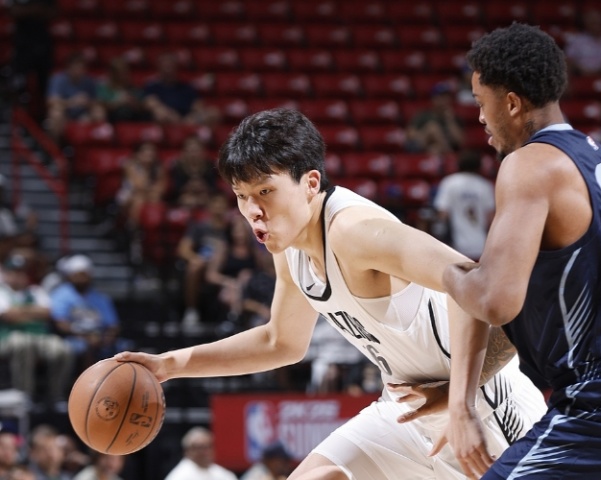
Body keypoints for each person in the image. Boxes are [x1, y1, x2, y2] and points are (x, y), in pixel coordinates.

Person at [116, 108, 547, 479]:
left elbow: (476, 284)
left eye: (265, 191)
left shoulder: (355, 232)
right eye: (242, 196)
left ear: (310, 183)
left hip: (485, 408)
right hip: (404, 409)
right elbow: (280, 342)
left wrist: (459, 400)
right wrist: (169, 364)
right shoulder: (289, 245)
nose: (253, 211)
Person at [438, 23, 601, 478]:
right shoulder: (591, 152)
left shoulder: (529, 165)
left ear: (512, 103)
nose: (479, 117)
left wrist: (447, 270)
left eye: (481, 102)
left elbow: (495, 300)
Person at [0, 252, 74, 408]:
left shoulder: (35, 291)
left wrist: (20, 312)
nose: (18, 276)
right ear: (6, 274)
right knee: (23, 343)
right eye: (14, 272)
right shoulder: (2, 291)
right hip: (8, 338)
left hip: (39, 337)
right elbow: (9, 315)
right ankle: (24, 395)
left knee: (63, 349)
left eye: (21, 272)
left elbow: (47, 313)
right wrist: (33, 312)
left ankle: (56, 396)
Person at [50, 254, 128, 372]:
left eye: (85, 274)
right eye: (78, 275)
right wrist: (86, 336)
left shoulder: (99, 297)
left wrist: (106, 339)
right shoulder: (61, 294)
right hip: (73, 337)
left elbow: (113, 325)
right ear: (70, 276)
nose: (82, 278)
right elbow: (61, 323)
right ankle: (84, 380)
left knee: (125, 348)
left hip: (100, 336)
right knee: (83, 348)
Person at [175, 193, 231, 327]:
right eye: (216, 204)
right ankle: (191, 310)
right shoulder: (199, 227)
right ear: (210, 207)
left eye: (222, 205)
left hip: (226, 264)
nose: (218, 208)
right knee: (194, 267)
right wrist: (196, 258)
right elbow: (183, 249)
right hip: (204, 265)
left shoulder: (230, 229)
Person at [433, 151, 495, 261]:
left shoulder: (450, 183)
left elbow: (442, 214)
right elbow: (491, 218)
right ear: (479, 166)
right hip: (481, 247)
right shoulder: (485, 185)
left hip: (456, 248)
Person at [142, 52, 219, 126]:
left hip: (188, 121)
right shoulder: (152, 87)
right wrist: (172, 116)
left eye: (171, 63)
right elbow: (151, 103)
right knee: (160, 114)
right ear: (159, 66)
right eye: (165, 64)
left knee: (213, 112)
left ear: (176, 66)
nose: (168, 66)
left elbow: (198, 106)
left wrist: (190, 119)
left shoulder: (187, 88)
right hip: (166, 120)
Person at [45, 53, 105, 141]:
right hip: (66, 113)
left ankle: (96, 142)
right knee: (55, 112)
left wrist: (87, 102)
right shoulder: (58, 79)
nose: (78, 70)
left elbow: (97, 101)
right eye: (75, 67)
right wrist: (73, 102)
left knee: (99, 111)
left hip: (83, 115)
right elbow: (51, 101)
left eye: (81, 68)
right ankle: (55, 144)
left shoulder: (89, 81)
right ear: (68, 67)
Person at [115, 141, 168, 228]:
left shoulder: (159, 167)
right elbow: (138, 185)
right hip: (129, 193)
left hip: (150, 194)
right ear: (137, 154)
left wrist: (154, 192)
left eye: (151, 151)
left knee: (155, 199)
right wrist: (146, 168)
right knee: (138, 199)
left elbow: (162, 187)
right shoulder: (130, 165)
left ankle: (153, 227)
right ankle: (133, 226)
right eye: (145, 151)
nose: (149, 153)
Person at [404, 82, 465, 155]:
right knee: (433, 128)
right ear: (433, 99)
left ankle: (447, 155)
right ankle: (450, 155)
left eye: (447, 97)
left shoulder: (454, 118)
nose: (445, 100)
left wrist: (449, 120)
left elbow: (459, 141)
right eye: (441, 97)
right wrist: (429, 135)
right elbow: (410, 134)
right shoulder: (424, 115)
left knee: (435, 148)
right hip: (422, 146)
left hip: (437, 151)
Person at [163, 427, 236, 480]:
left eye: (209, 446)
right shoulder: (179, 476)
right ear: (187, 451)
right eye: (200, 448)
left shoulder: (223, 474)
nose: (206, 452)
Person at [96, 57, 151, 124]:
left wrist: (133, 103)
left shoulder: (134, 89)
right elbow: (101, 106)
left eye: (125, 72)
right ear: (113, 74)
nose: (123, 75)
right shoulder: (105, 89)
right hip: (112, 121)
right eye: (119, 72)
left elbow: (142, 107)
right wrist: (118, 102)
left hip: (134, 120)